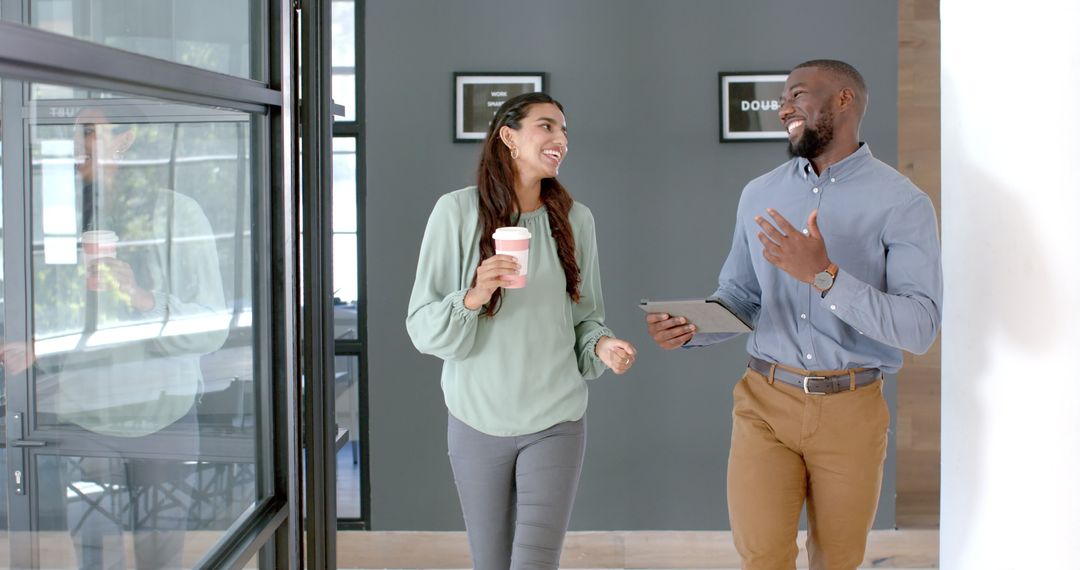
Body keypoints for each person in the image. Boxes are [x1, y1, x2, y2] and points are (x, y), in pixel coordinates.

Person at [645, 60, 942, 570]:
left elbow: (919, 329)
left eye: (798, 93)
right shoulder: (759, 194)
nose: (784, 106)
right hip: (764, 400)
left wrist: (824, 275)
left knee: (837, 560)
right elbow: (741, 296)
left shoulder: (902, 204)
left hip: (852, 409)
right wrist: (693, 328)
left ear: (844, 99)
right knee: (762, 556)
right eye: (782, 98)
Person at [407, 92, 636, 570]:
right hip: (476, 417)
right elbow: (423, 329)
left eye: (565, 131)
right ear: (508, 137)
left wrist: (605, 346)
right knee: (489, 561)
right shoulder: (456, 212)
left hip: (555, 418)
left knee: (535, 562)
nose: (561, 140)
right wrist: (473, 295)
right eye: (547, 127)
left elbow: (585, 320)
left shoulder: (577, 220)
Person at [43, 105, 228, 569]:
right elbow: (41, 315)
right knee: (93, 557)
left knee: (160, 557)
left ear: (123, 142)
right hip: (82, 416)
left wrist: (143, 298)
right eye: (69, 133)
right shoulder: (55, 215)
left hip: (163, 417)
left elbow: (212, 327)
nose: (74, 144)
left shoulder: (178, 215)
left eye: (88, 132)